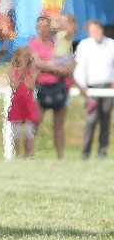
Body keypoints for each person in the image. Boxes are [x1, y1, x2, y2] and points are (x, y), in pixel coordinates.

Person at [29, 15, 74, 159]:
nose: (43, 29)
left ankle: (61, 157)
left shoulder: (59, 42)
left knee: (59, 125)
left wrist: (50, 66)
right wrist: (57, 68)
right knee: (35, 121)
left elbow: (68, 64)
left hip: (60, 86)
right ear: (36, 28)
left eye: (45, 25)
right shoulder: (34, 43)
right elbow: (37, 63)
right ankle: (28, 155)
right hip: (41, 86)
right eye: (40, 26)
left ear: (50, 27)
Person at [71, 19, 114, 159]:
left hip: (108, 87)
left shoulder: (111, 44)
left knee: (105, 120)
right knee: (91, 119)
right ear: (89, 32)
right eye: (94, 31)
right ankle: (85, 152)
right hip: (91, 88)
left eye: (99, 29)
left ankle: (102, 152)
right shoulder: (84, 46)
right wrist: (82, 86)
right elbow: (79, 68)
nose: (98, 33)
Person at [6, 47, 39, 159]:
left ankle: (30, 153)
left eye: (26, 56)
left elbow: (30, 86)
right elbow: (13, 85)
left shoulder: (32, 70)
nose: (24, 59)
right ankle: (18, 154)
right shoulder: (13, 69)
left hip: (28, 102)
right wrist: (21, 72)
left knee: (30, 130)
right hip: (17, 103)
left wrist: (28, 72)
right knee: (17, 131)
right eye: (22, 56)